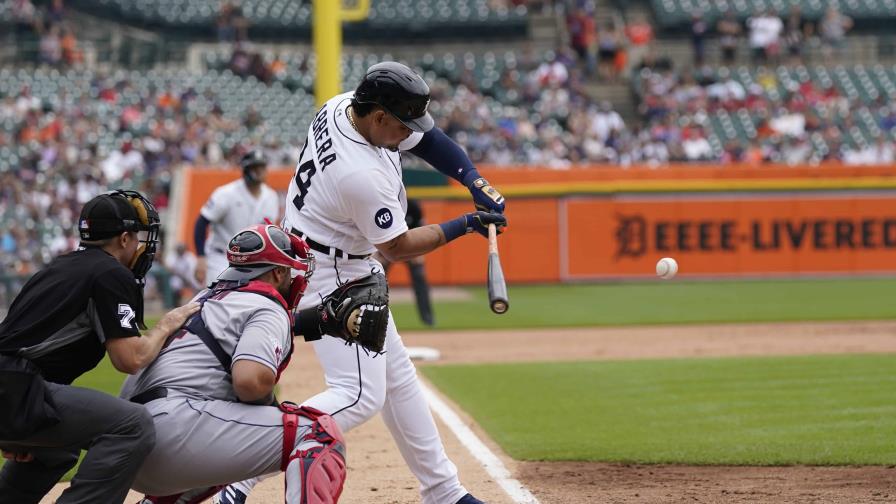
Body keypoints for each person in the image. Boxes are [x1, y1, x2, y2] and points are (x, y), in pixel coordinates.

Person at [217, 62, 506, 504]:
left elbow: (428, 139)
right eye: (400, 124)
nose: (408, 132)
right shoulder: (360, 174)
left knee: (399, 379)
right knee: (359, 395)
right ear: (379, 117)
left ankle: (444, 492)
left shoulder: (344, 107)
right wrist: (466, 223)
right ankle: (238, 475)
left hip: (327, 255)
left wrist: (473, 178)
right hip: (329, 271)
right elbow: (397, 247)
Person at [125, 223, 381, 504]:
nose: (295, 277)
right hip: (175, 435)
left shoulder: (206, 297)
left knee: (231, 433)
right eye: (289, 270)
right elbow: (249, 382)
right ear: (278, 271)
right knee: (319, 432)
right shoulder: (267, 304)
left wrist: (315, 321)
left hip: (131, 448)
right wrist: (271, 407)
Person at [0, 190, 199, 504]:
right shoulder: (110, 272)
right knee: (132, 425)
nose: (139, 245)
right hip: (16, 390)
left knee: (58, 449)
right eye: (136, 237)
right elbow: (130, 359)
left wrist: (21, 427)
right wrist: (165, 325)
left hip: (14, 388)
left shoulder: (59, 267)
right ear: (123, 239)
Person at [194, 150, 280, 287]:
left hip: (251, 261)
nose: (260, 171)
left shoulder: (271, 196)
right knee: (219, 301)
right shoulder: (226, 193)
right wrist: (200, 257)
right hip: (221, 257)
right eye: (255, 167)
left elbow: (269, 233)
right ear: (246, 169)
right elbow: (201, 223)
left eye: (262, 167)